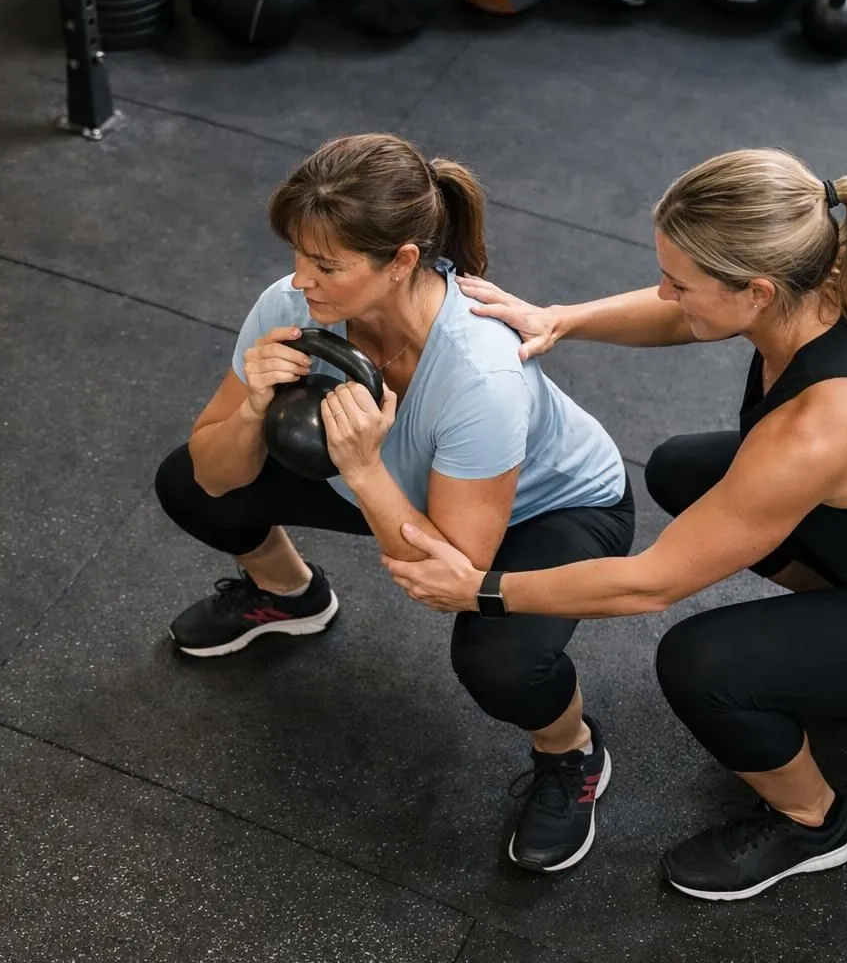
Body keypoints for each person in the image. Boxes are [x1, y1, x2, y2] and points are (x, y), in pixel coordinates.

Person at [381, 147, 847, 902]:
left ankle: (814, 822)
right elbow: (691, 317)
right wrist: (562, 319)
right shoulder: (830, 276)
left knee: (703, 665)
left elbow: (649, 585)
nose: (666, 293)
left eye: (680, 281)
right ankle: (836, 646)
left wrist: (480, 589)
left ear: (758, 291)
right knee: (682, 468)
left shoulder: (816, 431)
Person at [153, 133, 635, 874]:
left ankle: (573, 754)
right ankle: (291, 594)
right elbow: (214, 474)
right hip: (391, 476)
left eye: (325, 264)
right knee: (186, 483)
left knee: (499, 663)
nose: (300, 280)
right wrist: (253, 406)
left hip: (550, 510)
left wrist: (365, 468)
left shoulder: (480, 373)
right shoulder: (290, 306)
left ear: (402, 260)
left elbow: (450, 576)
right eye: (298, 255)